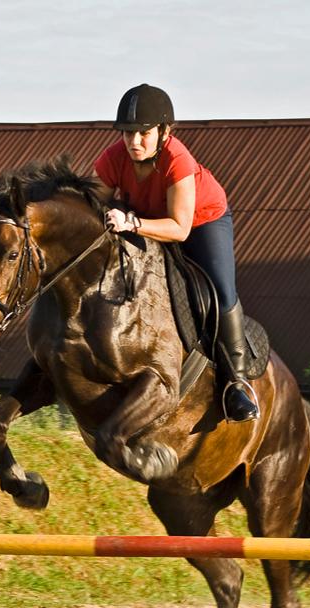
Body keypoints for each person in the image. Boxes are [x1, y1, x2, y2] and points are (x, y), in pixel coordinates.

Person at [92, 83, 259, 423]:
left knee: (220, 292)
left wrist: (131, 222)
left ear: (164, 131)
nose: (134, 142)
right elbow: (93, 203)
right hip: (146, 218)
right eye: (127, 134)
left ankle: (236, 384)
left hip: (201, 222)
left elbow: (179, 229)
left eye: (143, 133)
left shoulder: (177, 160)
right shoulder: (113, 158)